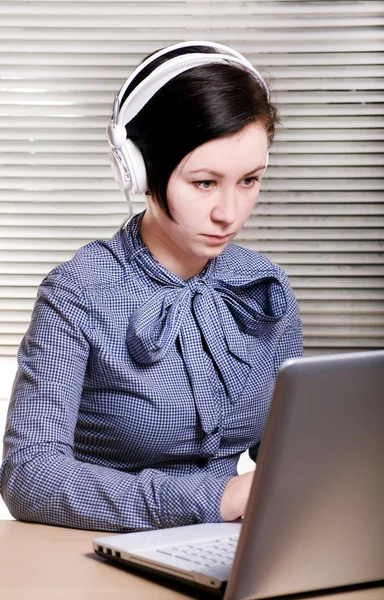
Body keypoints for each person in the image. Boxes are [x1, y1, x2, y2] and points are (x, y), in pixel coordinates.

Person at [0, 41, 302, 531]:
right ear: (137, 169)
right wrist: (213, 498)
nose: (229, 213)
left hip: (234, 546)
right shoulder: (79, 292)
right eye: (204, 182)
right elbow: (30, 477)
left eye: (249, 181)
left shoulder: (263, 286)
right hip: (97, 549)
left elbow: (290, 453)